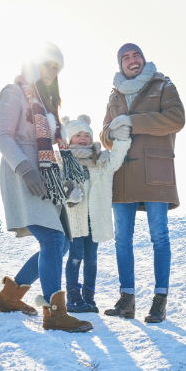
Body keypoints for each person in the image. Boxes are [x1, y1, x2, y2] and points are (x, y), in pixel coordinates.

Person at [0, 42, 92, 333]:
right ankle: (55, 313)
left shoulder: (47, 107)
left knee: (59, 245)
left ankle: (9, 297)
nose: (52, 70)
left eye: (57, 67)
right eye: (49, 63)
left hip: (45, 178)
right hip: (22, 174)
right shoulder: (13, 93)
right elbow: (2, 137)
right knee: (52, 239)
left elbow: (49, 152)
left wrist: (64, 181)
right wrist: (25, 170)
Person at [100, 43, 185, 323]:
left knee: (159, 237)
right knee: (122, 239)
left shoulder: (162, 84)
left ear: (143, 60)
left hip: (154, 169)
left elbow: (176, 119)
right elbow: (104, 135)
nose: (131, 60)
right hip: (122, 173)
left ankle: (159, 301)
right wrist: (113, 133)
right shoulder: (113, 95)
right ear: (120, 65)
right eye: (125, 58)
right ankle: (127, 300)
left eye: (135, 55)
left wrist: (133, 122)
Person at [61, 115, 131, 313]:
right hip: (75, 217)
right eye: (77, 135)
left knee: (91, 257)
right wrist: (67, 196)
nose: (82, 138)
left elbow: (116, 160)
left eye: (86, 135)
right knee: (75, 255)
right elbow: (56, 185)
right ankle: (73, 297)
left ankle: (89, 298)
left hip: (95, 218)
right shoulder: (63, 159)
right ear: (69, 139)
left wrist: (121, 139)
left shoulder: (101, 160)